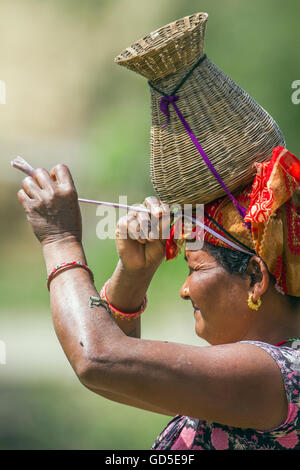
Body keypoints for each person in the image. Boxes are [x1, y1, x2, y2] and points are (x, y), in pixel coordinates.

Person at [16, 154, 300, 450]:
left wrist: (59, 239)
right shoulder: (265, 379)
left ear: (255, 278)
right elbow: (115, 375)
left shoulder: (279, 376)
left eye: (195, 268)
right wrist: (134, 273)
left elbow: (97, 359)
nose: (185, 290)